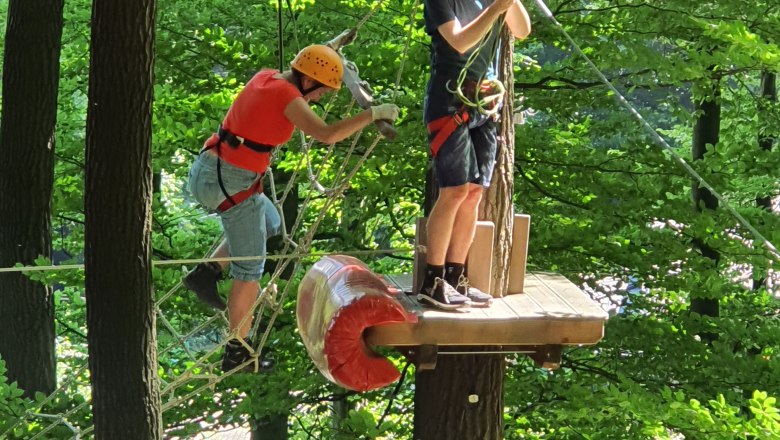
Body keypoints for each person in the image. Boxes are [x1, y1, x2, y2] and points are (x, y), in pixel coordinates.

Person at [185, 44, 400, 372]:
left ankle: (206, 272)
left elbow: (315, 65)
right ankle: (237, 349)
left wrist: (335, 48)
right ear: (309, 80)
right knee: (250, 270)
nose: (317, 100)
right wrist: (373, 113)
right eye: (321, 93)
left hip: (217, 171)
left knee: (271, 223)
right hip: (228, 182)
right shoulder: (286, 96)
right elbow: (327, 134)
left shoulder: (268, 78)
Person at [417, 0, 531, 310]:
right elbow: (459, 41)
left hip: (483, 104)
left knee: (473, 194)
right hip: (450, 101)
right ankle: (433, 280)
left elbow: (522, 30)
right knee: (453, 191)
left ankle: (456, 278)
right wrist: (496, 8)